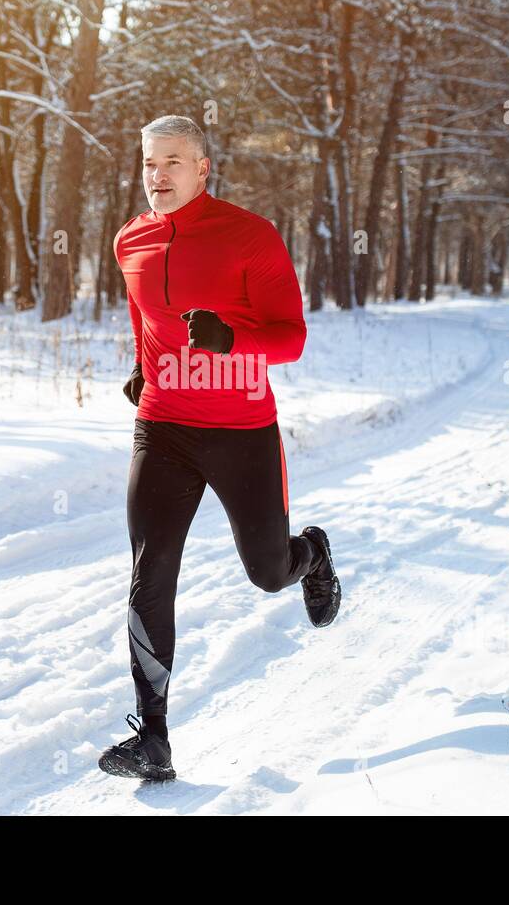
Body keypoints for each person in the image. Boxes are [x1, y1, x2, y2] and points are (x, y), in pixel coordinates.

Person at [97, 115, 341, 782]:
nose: (158, 175)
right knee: (151, 571)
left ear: (203, 168)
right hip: (164, 425)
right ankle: (153, 737)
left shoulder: (249, 236)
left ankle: (311, 555)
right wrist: (147, 370)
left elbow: (290, 337)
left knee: (267, 571)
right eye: (150, 163)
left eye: (173, 161)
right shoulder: (130, 240)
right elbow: (145, 321)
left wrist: (231, 340)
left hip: (241, 430)